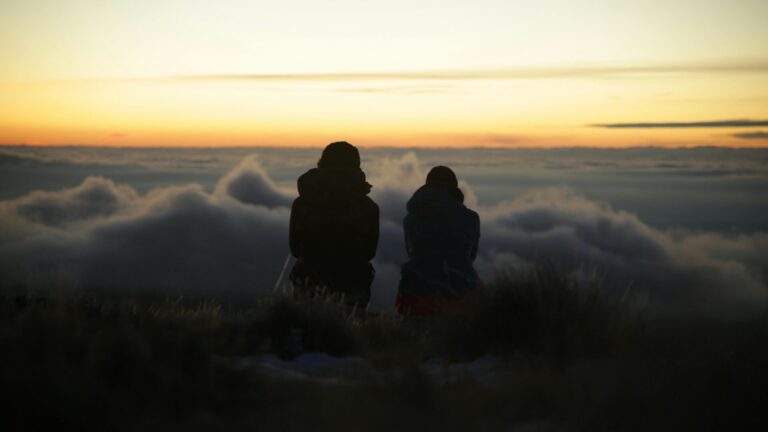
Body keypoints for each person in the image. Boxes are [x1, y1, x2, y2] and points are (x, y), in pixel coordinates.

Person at [289, 141, 379, 308]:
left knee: (307, 330)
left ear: (322, 162)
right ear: (356, 165)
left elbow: (295, 249)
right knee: (350, 331)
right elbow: (369, 252)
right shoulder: (368, 208)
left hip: (308, 283)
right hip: (353, 284)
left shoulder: (302, 204)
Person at [397, 166, 481, 316]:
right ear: (454, 188)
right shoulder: (471, 219)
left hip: (415, 292)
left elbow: (411, 252)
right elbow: (471, 256)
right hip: (460, 293)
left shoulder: (410, 220)